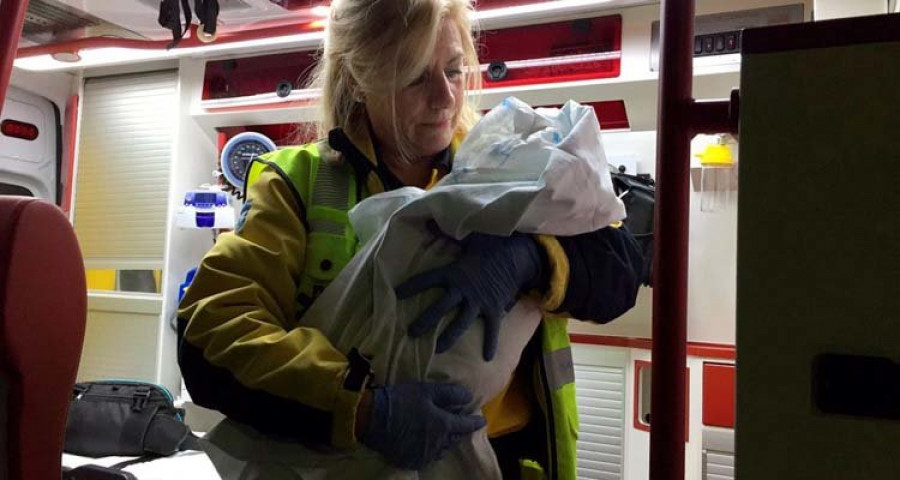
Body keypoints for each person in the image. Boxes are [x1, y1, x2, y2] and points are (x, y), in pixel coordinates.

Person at [177, 0, 645, 478]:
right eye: (416, 76)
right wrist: (363, 409)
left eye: (454, 70)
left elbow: (622, 266)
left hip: (511, 458)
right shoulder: (298, 183)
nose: (445, 97)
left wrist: (531, 257)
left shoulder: (509, 165)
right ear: (360, 81)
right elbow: (211, 338)